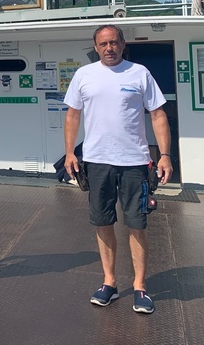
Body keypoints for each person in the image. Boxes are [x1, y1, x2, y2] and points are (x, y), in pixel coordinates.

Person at [64, 24, 172, 314]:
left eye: (114, 42)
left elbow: (158, 115)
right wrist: (69, 153)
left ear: (123, 44)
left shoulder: (139, 73)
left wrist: (164, 155)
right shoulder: (84, 75)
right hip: (97, 161)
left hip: (135, 163)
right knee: (102, 222)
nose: (109, 48)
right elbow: (73, 115)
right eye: (103, 44)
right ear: (96, 47)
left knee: (136, 224)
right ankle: (109, 283)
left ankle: (139, 287)